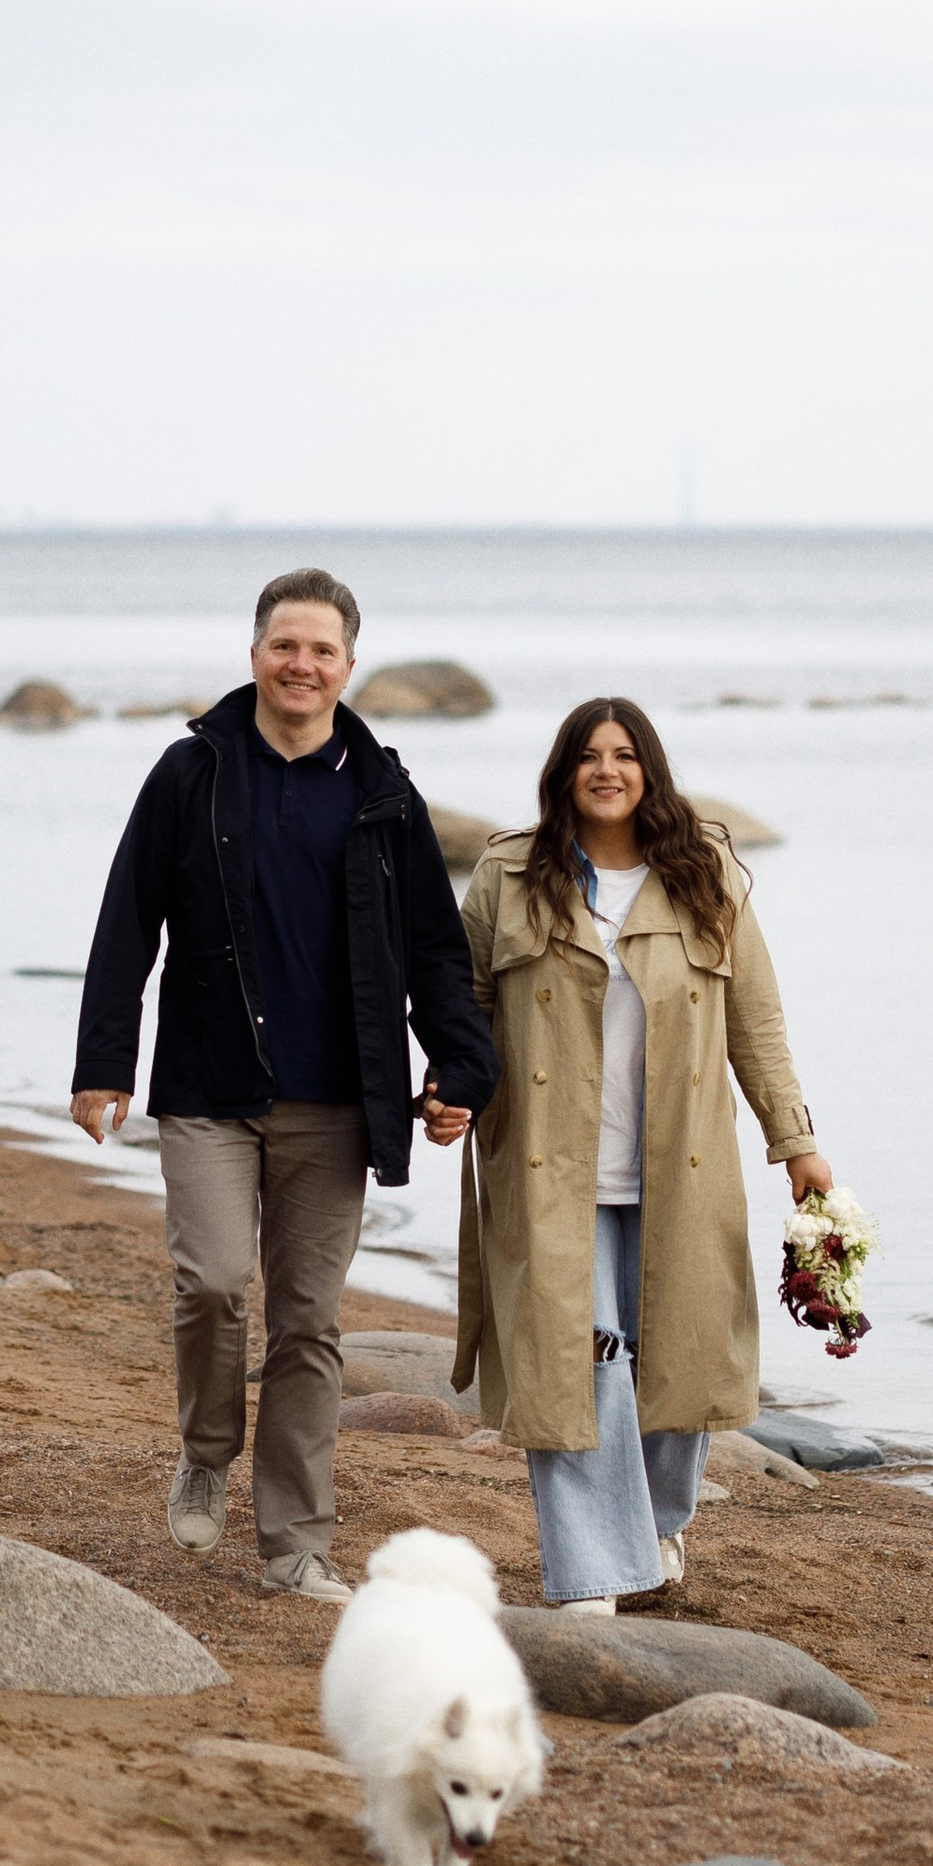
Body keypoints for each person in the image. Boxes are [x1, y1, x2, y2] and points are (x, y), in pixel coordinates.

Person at [70, 568, 499, 1606]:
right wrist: (101, 1065)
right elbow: (129, 919)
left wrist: (460, 1067)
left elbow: (435, 951)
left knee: (308, 1324)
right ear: (254, 653)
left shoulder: (384, 795)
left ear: (349, 666)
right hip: (209, 1088)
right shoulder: (192, 773)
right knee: (213, 1283)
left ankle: (294, 1543)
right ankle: (207, 1448)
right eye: (283, 645)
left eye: (321, 650)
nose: (300, 664)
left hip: (339, 1098)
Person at [446, 698, 831, 1612]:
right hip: (550, 1171)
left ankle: (655, 1522)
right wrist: (447, 1090)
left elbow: (758, 1023)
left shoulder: (707, 878)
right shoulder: (508, 875)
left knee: (679, 1364)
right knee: (576, 1362)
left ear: (650, 769)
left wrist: (797, 1142)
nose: (606, 770)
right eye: (588, 756)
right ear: (563, 772)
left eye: (624, 755)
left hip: (681, 1169)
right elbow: (463, 1008)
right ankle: (592, 1574)